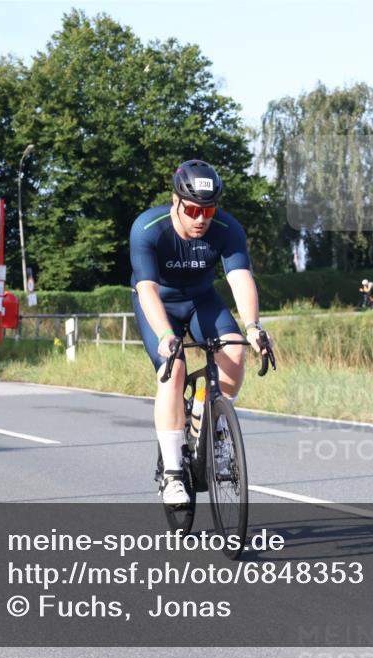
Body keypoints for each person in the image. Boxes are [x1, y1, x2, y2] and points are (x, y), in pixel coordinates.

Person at [130, 159, 272, 505]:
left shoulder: (226, 227)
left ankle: (211, 429)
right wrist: (165, 336)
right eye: (192, 210)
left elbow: (240, 278)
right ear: (175, 201)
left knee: (235, 349)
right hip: (160, 304)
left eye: (208, 211)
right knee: (174, 368)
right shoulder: (148, 228)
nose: (200, 219)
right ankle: (172, 473)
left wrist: (253, 326)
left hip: (201, 300)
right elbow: (146, 289)